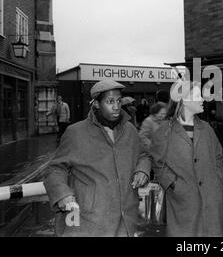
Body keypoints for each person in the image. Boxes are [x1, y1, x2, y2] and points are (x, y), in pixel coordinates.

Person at [43, 79, 151, 237]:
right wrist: (63, 193)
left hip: (126, 221)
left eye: (119, 101)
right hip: (89, 223)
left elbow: (143, 155)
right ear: (96, 104)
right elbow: (55, 169)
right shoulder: (76, 133)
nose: (116, 107)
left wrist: (143, 169)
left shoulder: (130, 130)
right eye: (110, 101)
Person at [150, 81, 223, 236]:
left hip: (212, 198)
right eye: (198, 95)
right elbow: (157, 163)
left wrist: (219, 178)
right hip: (183, 201)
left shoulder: (206, 128)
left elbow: (218, 156)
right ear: (184, 99)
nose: (203, 99)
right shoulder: (165, 131)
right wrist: (173, 184)